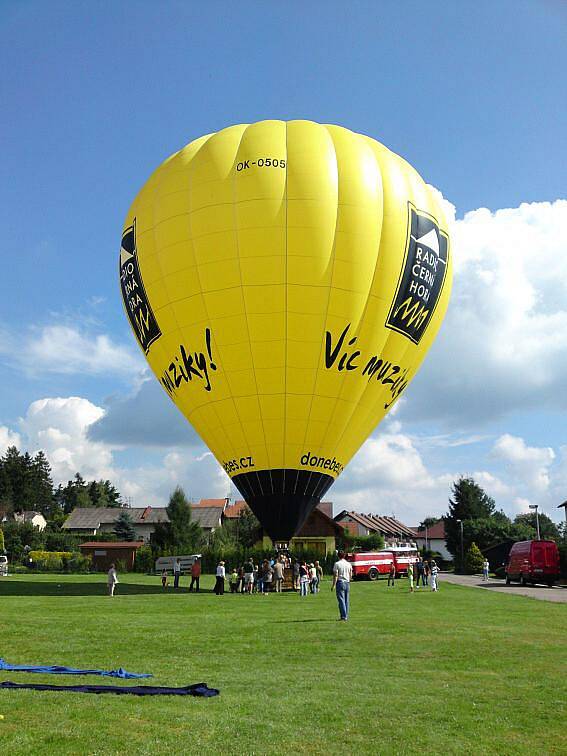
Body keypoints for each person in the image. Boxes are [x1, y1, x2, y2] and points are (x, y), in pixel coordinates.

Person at [332, 551, 353, 621]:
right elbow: (351, 574)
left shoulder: (337, 564)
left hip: (340, 582)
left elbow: (336, 575)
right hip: (347, 582)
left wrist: (333, 585)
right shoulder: (348, 564)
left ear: (338, 556)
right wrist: (349, 580)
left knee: (341, 600)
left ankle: (343, 616)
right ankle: (346, 615)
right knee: (346, 600)